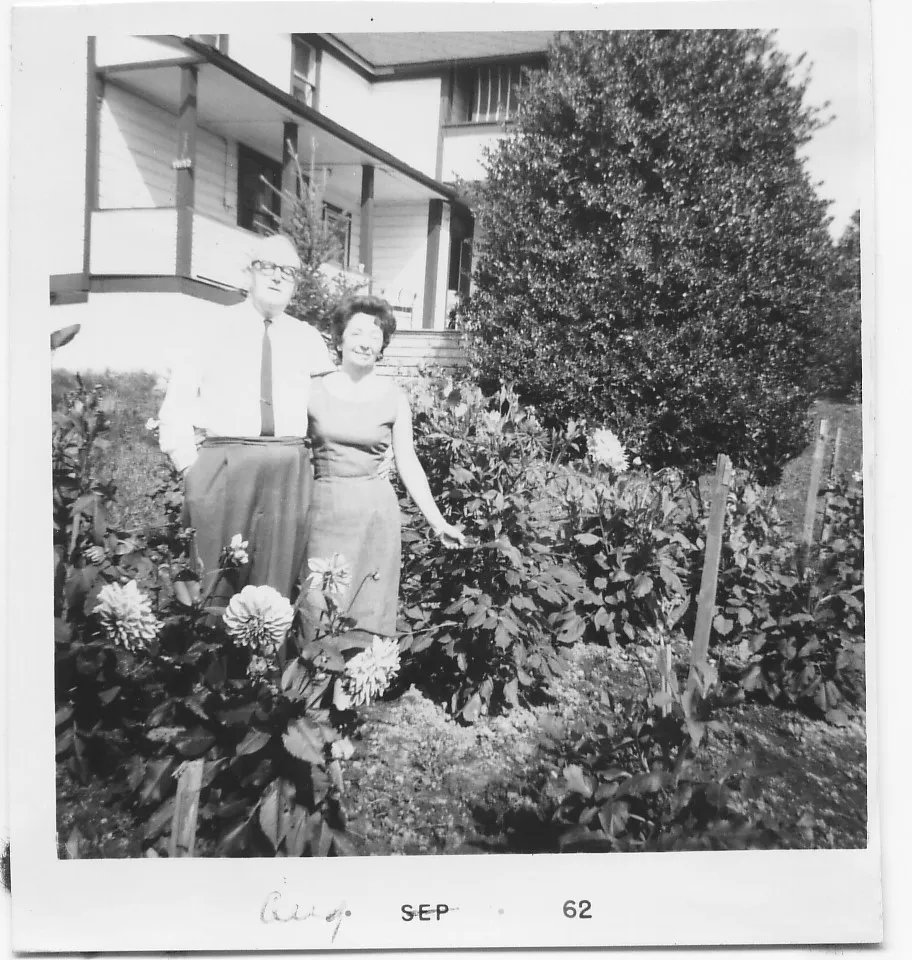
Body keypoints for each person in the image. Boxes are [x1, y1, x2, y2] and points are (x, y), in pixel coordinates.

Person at [157, 234, 333, 604]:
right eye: (267, 266)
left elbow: (326, 412)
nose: (277, 277)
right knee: (213, 585)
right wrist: (191, 469)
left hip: (288, 473)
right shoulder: (211, 326)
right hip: (224, 466)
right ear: (248, 274)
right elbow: (177, 404)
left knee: (276, 588)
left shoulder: (308, 339)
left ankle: (267, 662)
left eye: (288, 271)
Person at [304, 294, 465, 636]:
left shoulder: (394, 397)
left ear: (383, 347)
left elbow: (408, 461)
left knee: (365, 623)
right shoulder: (312, 390)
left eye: (375, 337)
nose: (365, 343)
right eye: (358, 333)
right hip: (323, 515)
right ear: (341, 337)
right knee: (317, 615)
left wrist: (438, 523)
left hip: (375, 520)